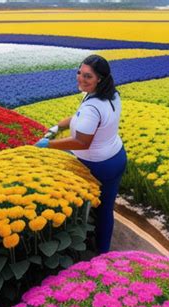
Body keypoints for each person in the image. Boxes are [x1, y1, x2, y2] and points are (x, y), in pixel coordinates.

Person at [35, 54, 127, 254]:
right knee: (105, 208)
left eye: (88, 76)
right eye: (80, 73)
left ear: (99, 79)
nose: (81, 79)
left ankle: (96, 252)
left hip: (99, 164)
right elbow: (78, 116)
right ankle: (103, 250)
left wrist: (48, 144)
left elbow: (82, 142)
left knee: (99, 209)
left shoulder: (93, 107)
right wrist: (58, 126)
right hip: (116, 156)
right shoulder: (110, 94)